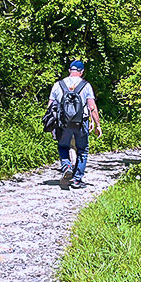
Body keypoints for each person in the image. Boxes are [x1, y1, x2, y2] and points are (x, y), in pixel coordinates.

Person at [48, 60, 102, 190]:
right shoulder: (86, 85)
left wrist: (51, 124)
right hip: (81, 122)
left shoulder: (58, 85)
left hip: (63, 123)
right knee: (82, 150)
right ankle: (77, 180)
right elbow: (92, 107)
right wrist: (97, 124)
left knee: (63, 147)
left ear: (69, 71)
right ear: (82, 72)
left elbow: (50, 106)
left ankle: (66, 166)